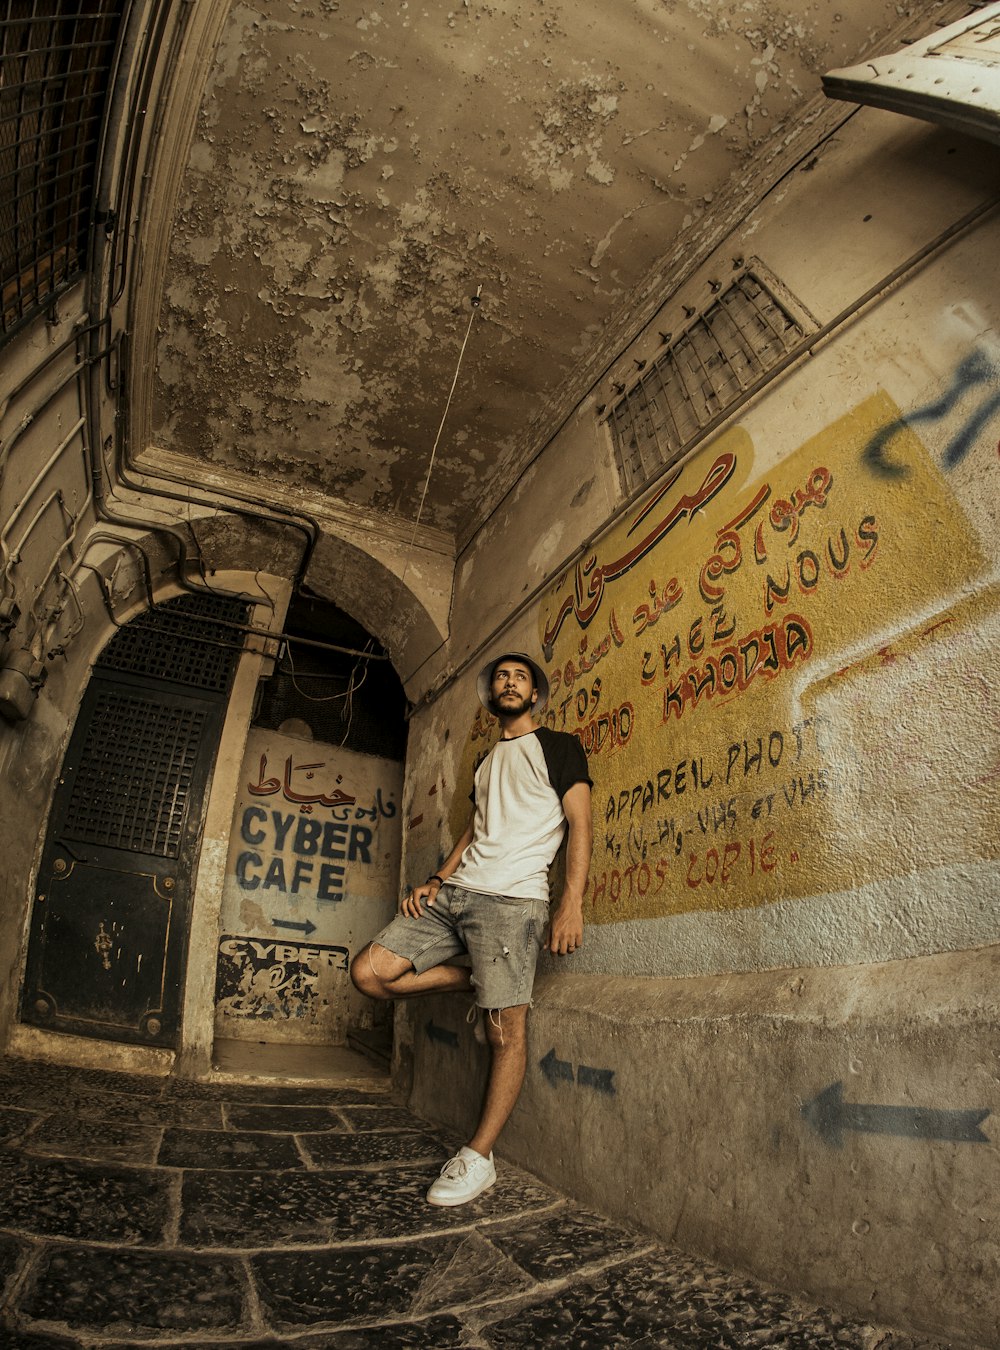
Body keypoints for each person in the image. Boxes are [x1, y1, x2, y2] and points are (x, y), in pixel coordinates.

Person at [350, 651, 593, 1206]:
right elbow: (474, 832)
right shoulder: (486, 763)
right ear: (492, 695)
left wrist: (571, 902)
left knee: (502, 1031)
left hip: (512, 902)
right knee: (369, 971)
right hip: (456, 896)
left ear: (535, 694)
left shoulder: (558, 747)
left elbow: (581, 825)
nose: (510, 683)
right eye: (502, 677)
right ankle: (474, 982)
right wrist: (438, 878)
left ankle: (478, 1157)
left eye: (520, 678)